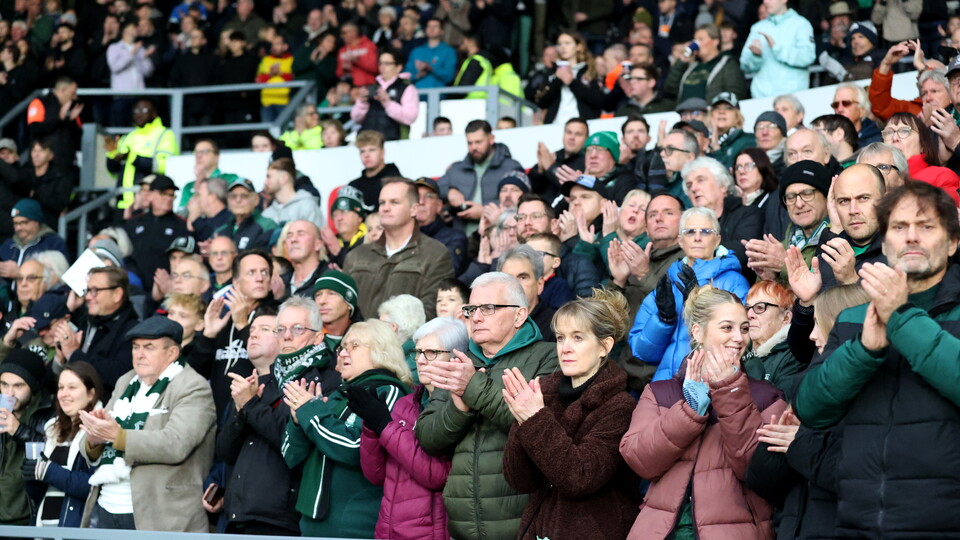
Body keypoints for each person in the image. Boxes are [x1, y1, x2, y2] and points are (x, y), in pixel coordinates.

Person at [794, 180, 960, 537]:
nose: (911, 237)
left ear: (953, 242)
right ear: (885, 243)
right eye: (899, 227)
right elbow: (809, 407)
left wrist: (900, 317)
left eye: (926, 226)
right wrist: (864, 351)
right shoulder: (853, 317)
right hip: (861, 523)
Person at [620, 285, 787, 539]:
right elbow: (640, 460)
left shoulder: (767, 396)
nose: (739, 338)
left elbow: (758, 472)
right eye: (727, 327)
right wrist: (689, 411)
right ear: (698, 331)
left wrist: (731, 391)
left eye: (744, 329)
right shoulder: (659, 392)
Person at [415, 272, 559, 539]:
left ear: (519, 315)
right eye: (471, 309)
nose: (476, 317)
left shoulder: (548, 357)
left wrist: (473, 389)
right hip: (462, 526)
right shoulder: (460, 362)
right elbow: (427, 438)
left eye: (488, 308)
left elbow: (537, 429)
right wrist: (459, 408)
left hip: (524, 525)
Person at [502, 288, 640, 539]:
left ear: (604, 346)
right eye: (560, 338)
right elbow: (519, 480)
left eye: (578, 338)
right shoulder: (543, 394)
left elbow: (580, 476)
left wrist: (533, 419)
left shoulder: (620, 407)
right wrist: (521, 420)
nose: (565, 348)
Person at [78, 316, 216, 532]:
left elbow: (176, 443)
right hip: (106, 506)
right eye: (135, 347)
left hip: (161, 515)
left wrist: (117, 437)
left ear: (172, 353)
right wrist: (94, 439)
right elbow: (102, 440)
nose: (139, 354)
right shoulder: (126, 381)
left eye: (149, 347)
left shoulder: (193, 387)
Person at [282, 319, 412, 538]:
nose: (342, 353)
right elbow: (290, 456)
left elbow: (354, 448)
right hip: (312, 522)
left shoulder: (388, 391)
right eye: (342, 347)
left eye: (354, 346)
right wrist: (298, 420)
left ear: (381, 350)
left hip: (354, 524)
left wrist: (310, 412)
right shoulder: (337, 395)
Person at [359, 317, 459, 540]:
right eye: (418, 352)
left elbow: (436, 475)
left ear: (455, 357)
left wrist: (384, 426)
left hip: (431, 532)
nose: (421, 361)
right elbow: (376, 475)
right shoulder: (405, 403)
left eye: (431, 353)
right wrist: (371, 427)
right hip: (387, 530)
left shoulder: (460, 406)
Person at [628, 207, 750, 382]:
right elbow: (642, 351)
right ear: (680, 240)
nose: (698, 237)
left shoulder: (734, 282)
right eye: (690, 231)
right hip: (664, 385)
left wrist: (696, 304)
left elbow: (739, 341)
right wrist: (663, 320)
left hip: (710, 383)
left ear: (717, 240)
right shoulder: (668, 282)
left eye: (706, 232)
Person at [215, 309, 300, 535]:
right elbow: (225, 451)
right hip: (237, 514)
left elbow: (287, 441)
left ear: (284, 338)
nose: (253, 335)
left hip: (276, 519)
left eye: (264, 329)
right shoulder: (244, 387)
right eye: (251, 330)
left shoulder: (298, 385)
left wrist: (251, 404)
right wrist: (242, 407)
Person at [344, 179, 454, 320]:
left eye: (394, 202)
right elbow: (342, 307)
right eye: (382, 203)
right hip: (356, 340)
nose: (385, 208)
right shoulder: (356, 256)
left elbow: (431, 311)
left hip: (404, 340)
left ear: (414, 209)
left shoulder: (435, 254)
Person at [190, 249, 277, 417]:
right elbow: (196, 373)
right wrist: (208, 336)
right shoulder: (224, 317)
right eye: (251, 273)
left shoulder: (276, 314)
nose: (260, 278)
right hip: (214, 414)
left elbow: (271, 358)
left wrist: (243, 325)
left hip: (254, 413)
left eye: (265, 272)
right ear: (236, 283)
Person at [25, 362, 103, 527]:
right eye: (61, 387)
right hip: (43, 528)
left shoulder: (102, 429)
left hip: (78, 530)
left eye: (72, 387)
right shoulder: (51, 429)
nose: (63, 394)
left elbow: (96, 487)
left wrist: (48, 471)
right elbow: (39, 492)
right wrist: (31, 476)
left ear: (91, 394)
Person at [56, 267, 140, 392]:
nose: (88, 297)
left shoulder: (132, 330)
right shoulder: (84, 320)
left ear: (117, 294)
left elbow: (118, 375)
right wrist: (60, 359)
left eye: (95, 291)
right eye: (88, 290)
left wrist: (74, 354)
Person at [0, 349, 53, 527]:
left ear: (33, 386)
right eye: (4, 384)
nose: (9, 393)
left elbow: (55, 454)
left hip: (26, 519)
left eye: (18, 386)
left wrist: (19, 430)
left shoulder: (48, 412)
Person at [681, 156, 763, 271]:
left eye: (701, 180)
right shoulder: (686, 226)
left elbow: (743, 254)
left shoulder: (748, 214)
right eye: (689, 185)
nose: (693, 188)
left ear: (723, 185)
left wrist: (699, 253)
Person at [440, 120, 523, 225]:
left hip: (499, 232)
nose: (474, 147)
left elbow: (521, 199)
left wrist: (484, 211)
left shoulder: (511, 167)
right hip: (460, 234)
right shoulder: (457, 168)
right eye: (470, 143)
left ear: (491, 139)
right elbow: (437, 186)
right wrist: (449, 191)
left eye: (478, 142)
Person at [104, 100, 178, 211]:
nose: (138, 114)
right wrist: (112, 154)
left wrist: (133, 158)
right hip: (123, 206)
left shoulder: (165, 134)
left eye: (143, 110)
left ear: (154, 113)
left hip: (148, 206)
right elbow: (114, 172)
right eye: (135, 111)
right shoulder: (129, 137)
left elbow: (166, 166)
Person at [122, 175, 189, 293]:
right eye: (163, 193)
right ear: (151, 194)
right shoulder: (134, 222)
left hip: (168, 289)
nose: (168, 198)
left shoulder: (182, 225)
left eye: (172, 194)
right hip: (136, 288)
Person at [739, 0, 815, 98]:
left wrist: (777, 48)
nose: (765, 2)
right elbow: (744, 66)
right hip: (761, 98)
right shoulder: (757, 27)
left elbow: (807, 57)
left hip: (792, 99)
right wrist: (756, 56)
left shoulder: (801, 24)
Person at [883, 111, 960, 205]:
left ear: (922, 145)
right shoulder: (873, 176)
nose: (894, 138)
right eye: (889, 132)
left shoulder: (942, 177)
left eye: (904, 131)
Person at [741, 280, 801, 400]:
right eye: (748, 308)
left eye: (760, 307)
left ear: (786, 317)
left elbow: (778, 409)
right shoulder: (739, 351)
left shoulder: (794, 357)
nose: (750, 315)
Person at [531, 31, 603, 124]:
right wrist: (557, 80)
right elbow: (541, 101)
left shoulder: (589, 70)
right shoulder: (552, 71)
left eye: (567, 43)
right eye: (559, 44)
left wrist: (572, 83)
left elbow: (598, 101)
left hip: (583, 126)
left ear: (579, 46)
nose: (563, 47)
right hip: (555, 125)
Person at [665, 23, 747, 104]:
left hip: (709, 114)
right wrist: (681, 61)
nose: (697, 43)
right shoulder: (691, 66)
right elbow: (670, 88)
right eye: (695, 40)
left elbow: (735, 93)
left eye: (701, 39)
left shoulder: (728, 64)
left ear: (715, 42)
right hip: (686, 114)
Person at [351, 49, 419, 141]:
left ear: (398, 67)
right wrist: (362, 102)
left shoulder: (407, 88)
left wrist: (387, 102)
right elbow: (356, 118)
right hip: (368, 143)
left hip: (394, 142)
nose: (382, 67)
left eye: (387, 64)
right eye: (380, 63)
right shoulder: (372, 86)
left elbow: (410, 117)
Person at [497, 245, 556, 341]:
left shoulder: (556, 326)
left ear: (540, 284)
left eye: (523, 277)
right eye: (508, 278)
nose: (515, 284)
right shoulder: (490, 322)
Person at [0, 199, 69, 279]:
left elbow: (59, 278)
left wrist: (20, 273)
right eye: (15, 223)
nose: (18, 228)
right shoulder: (9, 244)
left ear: (36, 221)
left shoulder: (53, 243)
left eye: (23, 222)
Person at [25, 76, 81, 173]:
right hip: (45, 168)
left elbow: (77, 136)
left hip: (65, 166)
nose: (75, 97)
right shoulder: (39, 102)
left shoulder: (69, 108)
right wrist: (59, 118)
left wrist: (70, 120)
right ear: (63, 90)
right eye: (73, 93)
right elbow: (34, 128)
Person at [415, 177, 468, 275]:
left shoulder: (454, 237)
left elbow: (446, 272)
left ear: (439, 206)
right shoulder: (400, 235)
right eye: (416, 196)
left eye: (429, 196)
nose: (421, 201)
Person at [528, 118, 588, 203]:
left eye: (578, 134)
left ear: (586, 139)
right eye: (569, 132)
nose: (572, 137)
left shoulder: (588, 161)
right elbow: (529, 187)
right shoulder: (553, 156)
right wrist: (540, 169)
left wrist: (550, 167)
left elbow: (571, 188)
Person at [215, 177, 278, 251]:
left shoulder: (267, 226)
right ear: (228, 201)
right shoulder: (221, 230)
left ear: (256, 200)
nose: (238, 200)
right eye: (233, 196)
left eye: (244, 196)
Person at [348, 130, 403, 210]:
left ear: (382, 152)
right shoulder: (354, 186)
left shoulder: (396, 181)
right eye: (362, 151)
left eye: (372, 150)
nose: (366, 155)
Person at [262, 158, 324, 228]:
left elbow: (317, 237)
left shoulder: (307, 206)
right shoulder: (267, 213)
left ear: (284, 178)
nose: (265, 182)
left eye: (269, 177)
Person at [705, 92, 756, 169]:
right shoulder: (704, 142)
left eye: (728, 108)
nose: (721, 112)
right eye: (717, 108)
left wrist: (716, 148)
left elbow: (735, 173)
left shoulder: (749, 140)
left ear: (737, 114)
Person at [405, 18, 456, 90]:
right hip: (416, 96)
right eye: (429, 26)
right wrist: (417, 75)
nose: (432, 29)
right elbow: (406, 76)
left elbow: (449, 77)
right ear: (426, 30)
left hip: (438, 96)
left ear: (442, 31)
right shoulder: (416, 51)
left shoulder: (449, 51)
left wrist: (431, 69)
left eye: (435, 26)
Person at [256, 33, 294, 122]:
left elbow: (293, 78)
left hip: (285, 102)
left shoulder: (291, 60)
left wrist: (280, 73)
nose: (274, 47)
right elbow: (258, 80)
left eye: (277, 44)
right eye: (273, 44)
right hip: (267, 102)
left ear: (285, 46)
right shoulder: (266, 60)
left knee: (285, 133)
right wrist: (270, 74)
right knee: (268, 133)